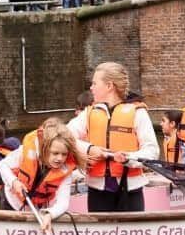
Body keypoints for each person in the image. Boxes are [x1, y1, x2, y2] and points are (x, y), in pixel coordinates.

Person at [67, 62, 159, 212]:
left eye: (95, 83)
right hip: (97, 189)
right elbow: (64, 136)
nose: (91, 88)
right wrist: (90, 149)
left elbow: (152, 152)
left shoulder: (138, 112)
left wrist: (128, 158)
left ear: (109, 86)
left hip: (130, 189)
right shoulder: (89, 113)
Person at [0, 118, 84, 233]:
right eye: (55, 153)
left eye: (64, 154)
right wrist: (14, 182)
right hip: (11, 202)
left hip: (36, 209)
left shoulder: (65, 169)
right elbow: (3, 165)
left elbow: (63, 202)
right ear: (45, 148)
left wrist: (50, 214)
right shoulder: (26, 152)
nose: (60, 159)